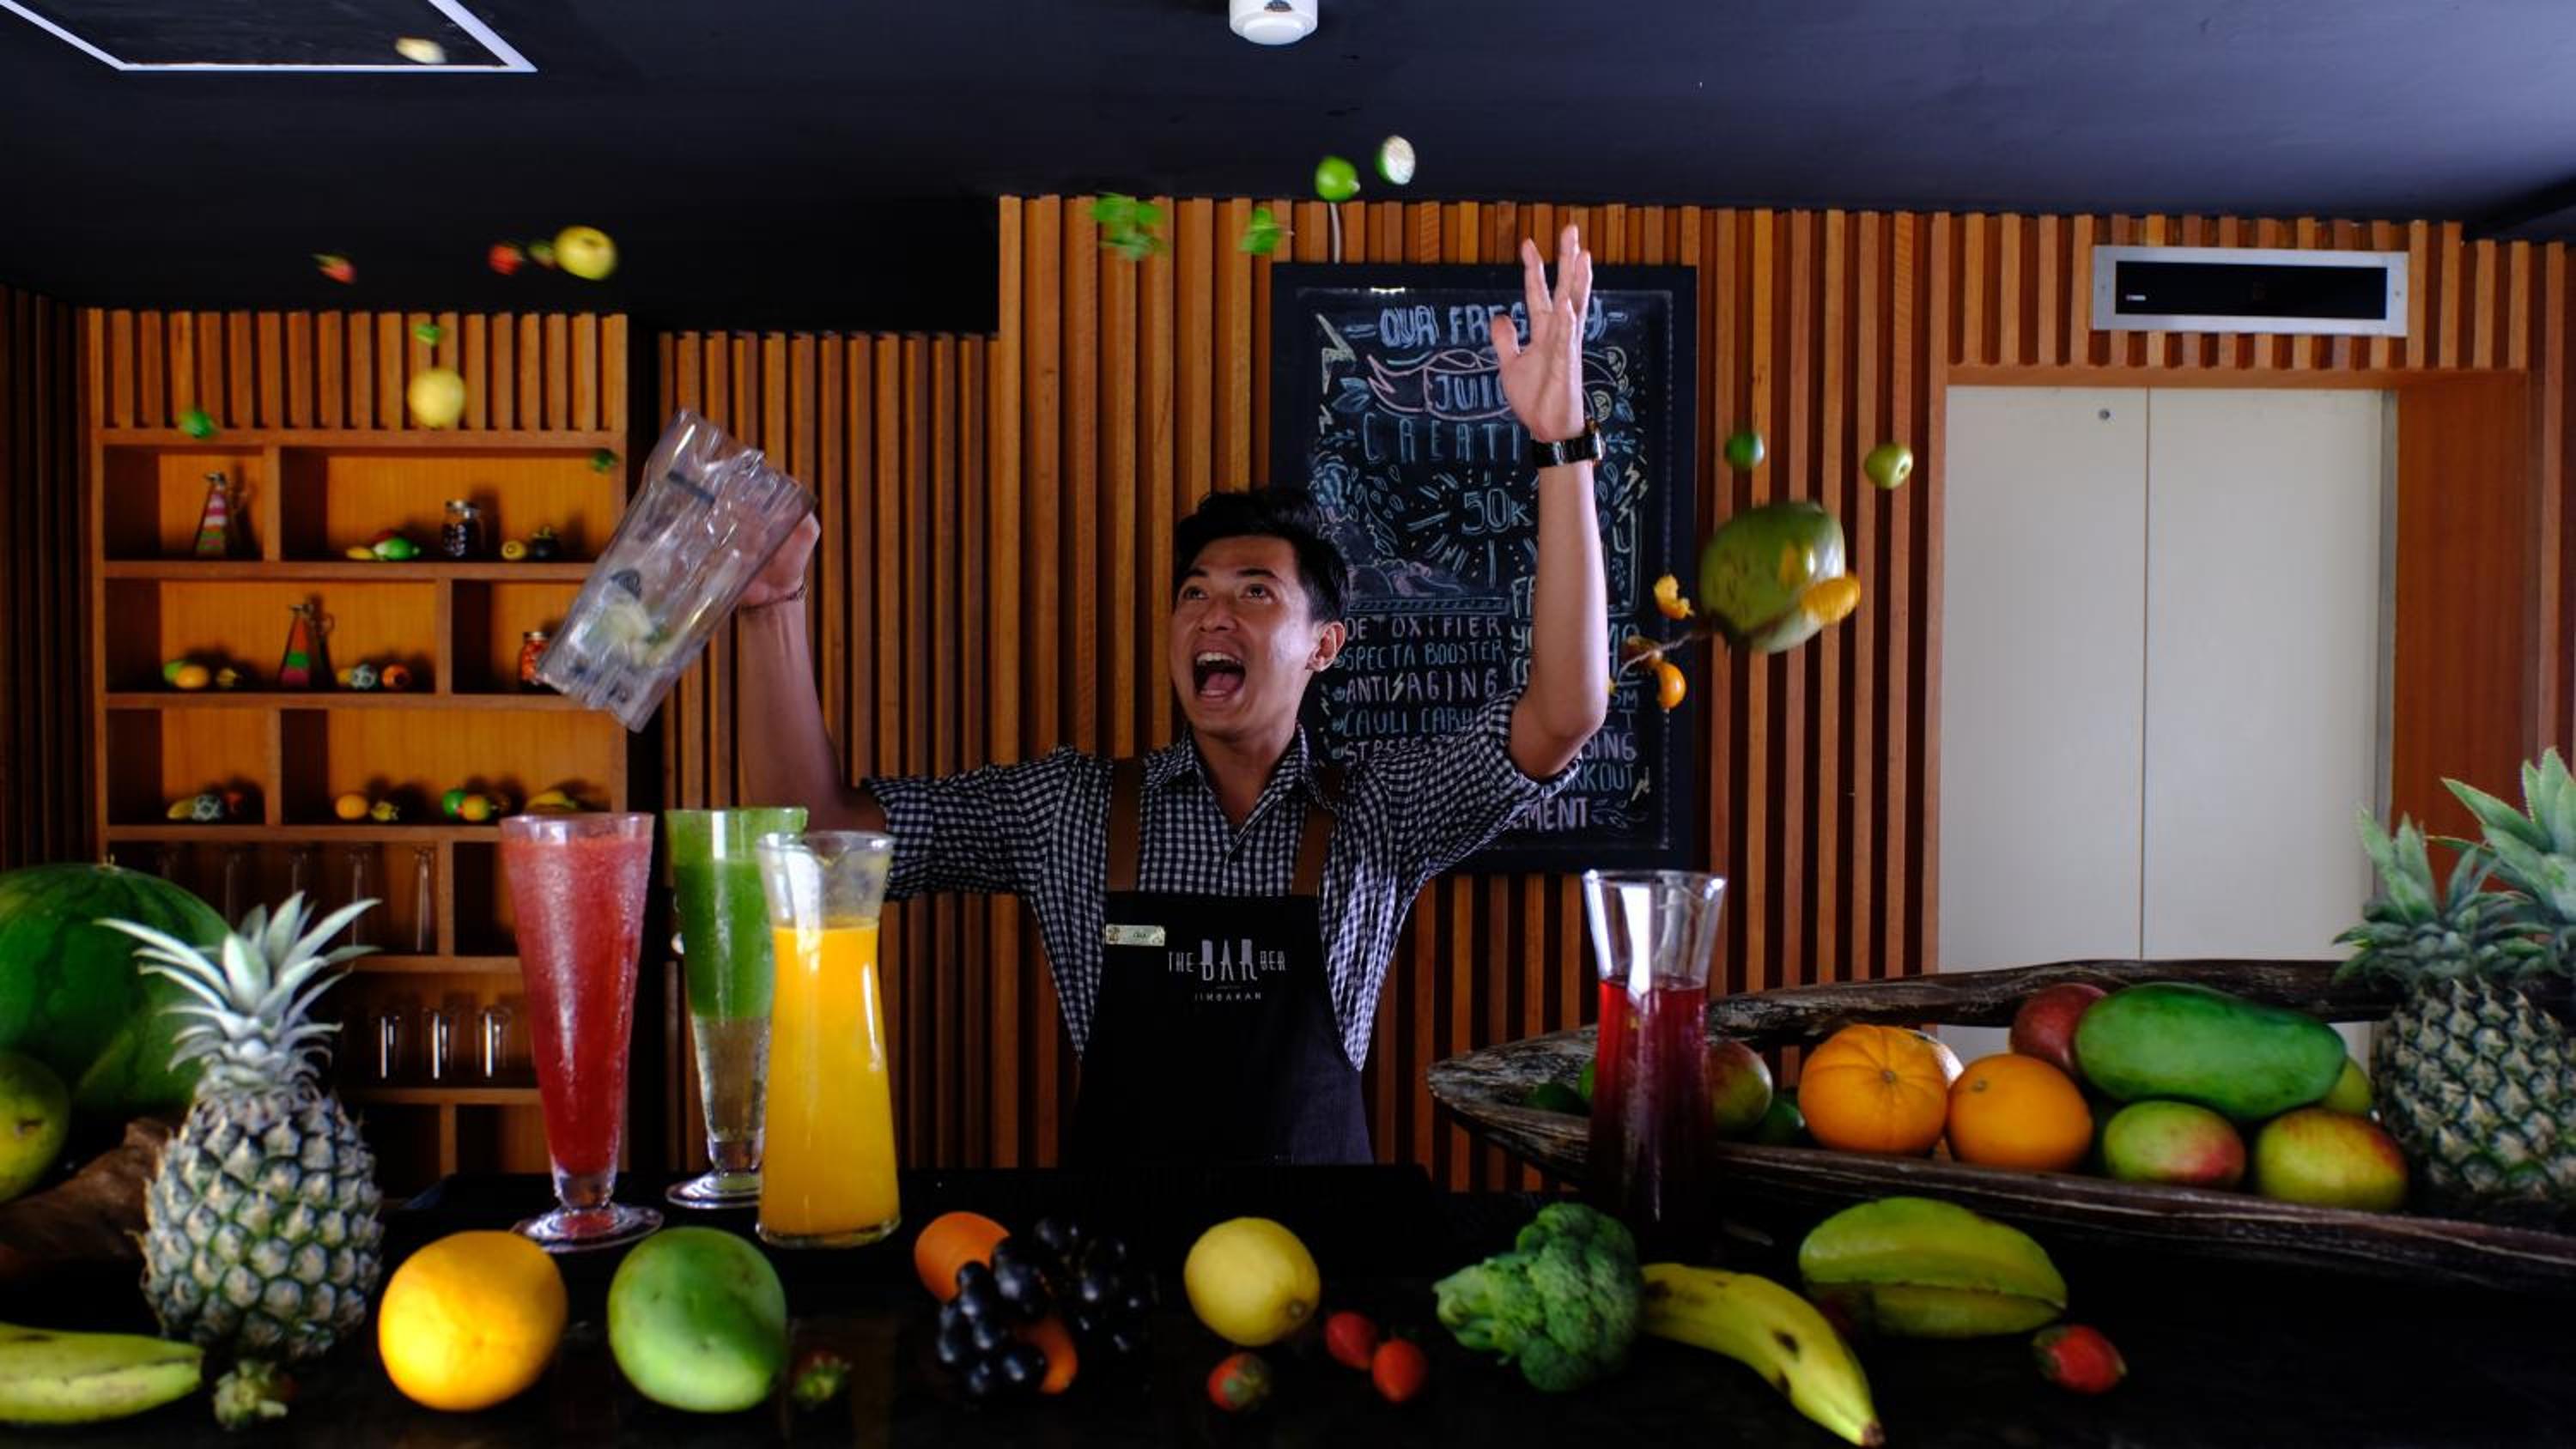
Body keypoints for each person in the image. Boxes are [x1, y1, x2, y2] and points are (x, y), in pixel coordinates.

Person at [732, 226, 1608, 1164]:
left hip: (1321, 1246)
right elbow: (818, 833)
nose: (1211, 614)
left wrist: (1562, 448)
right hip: (1120, 1247)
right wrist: (771, 606)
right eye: (1194, 593)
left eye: (1254, 593)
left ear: (1324, 645)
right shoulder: (1067, 810)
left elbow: (1564, 712)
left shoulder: (1380, 812)